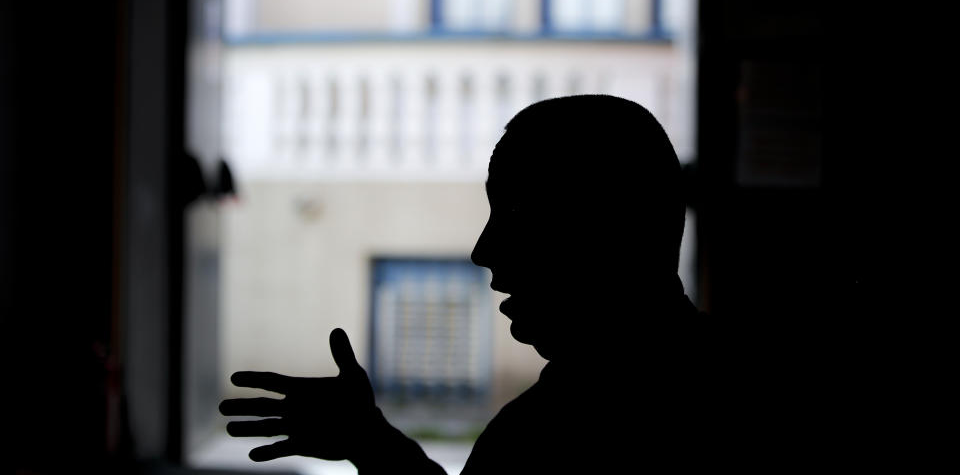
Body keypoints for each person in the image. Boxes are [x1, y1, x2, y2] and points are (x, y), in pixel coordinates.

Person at [220, 95, 712, 473]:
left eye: (518, 212)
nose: (483, 250)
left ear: (612, 227)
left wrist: (371, 443)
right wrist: (369, 441)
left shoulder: (555, 428)